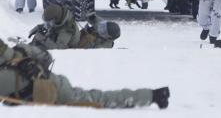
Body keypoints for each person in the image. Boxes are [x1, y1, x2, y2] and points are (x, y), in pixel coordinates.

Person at [0, 39, 170, 109]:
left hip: (58, 94)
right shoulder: (18, 52)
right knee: (99, 96)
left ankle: (152, 95)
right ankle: (152, 95)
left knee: (102, 100)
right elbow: (47, 57)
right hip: (56, 82)